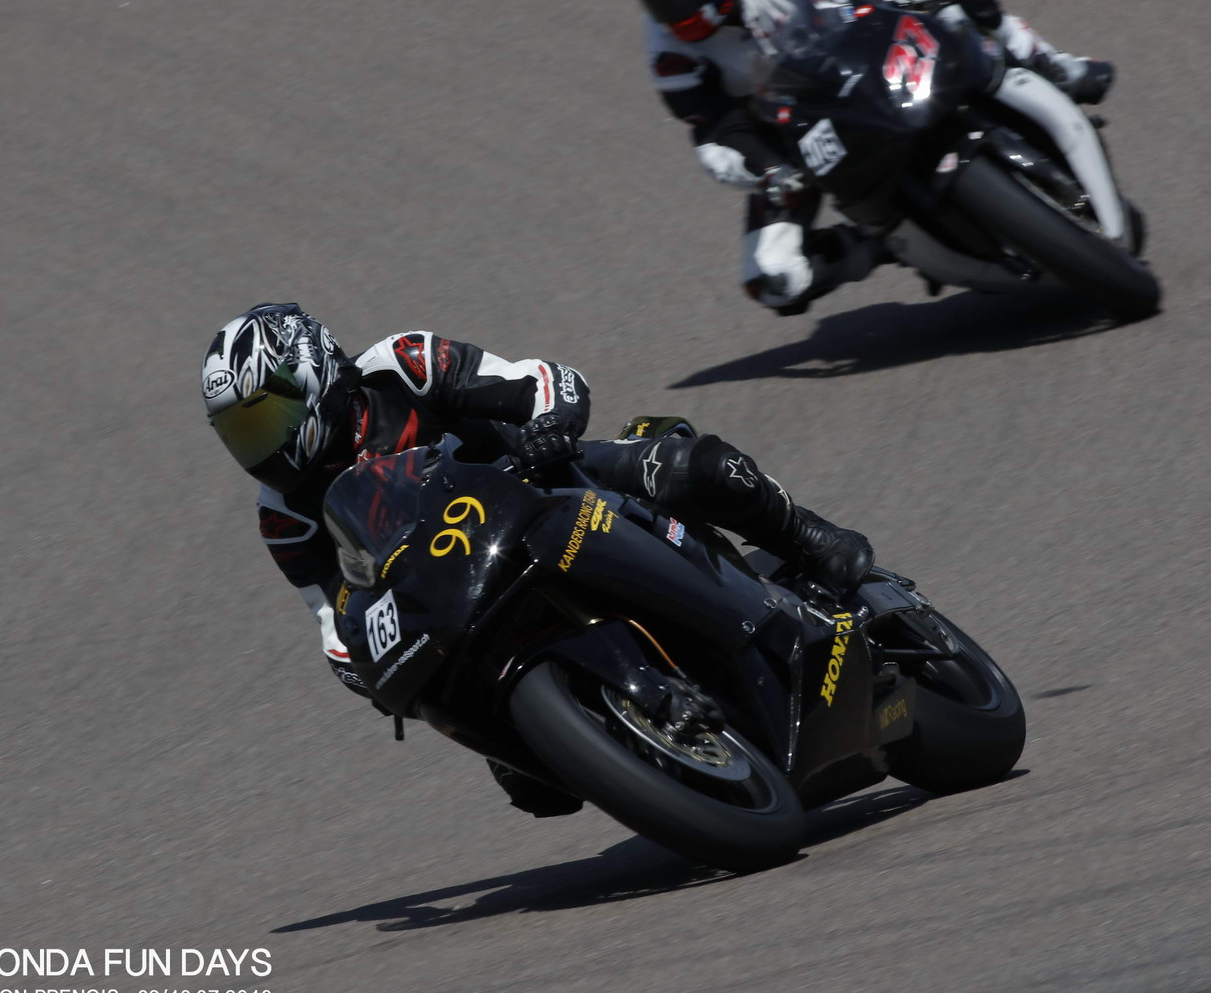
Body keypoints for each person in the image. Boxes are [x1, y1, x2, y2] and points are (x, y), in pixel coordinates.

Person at [202, 303, 873, 814]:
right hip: (461, 598)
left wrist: (546, 425)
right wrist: (363, 666)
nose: (259, 446)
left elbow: (540, 382)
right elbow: (333, 618)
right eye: (239, 434)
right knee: (535, 789)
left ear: (310, 373)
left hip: (551, 491)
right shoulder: (284, 513)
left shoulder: (401, 365)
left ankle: (807, 537)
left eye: (263, 419)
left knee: (701, 468)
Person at [633, 0, 1115, 314]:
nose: (673, 4)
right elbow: (715, 131)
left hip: (869, 49)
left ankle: (1049, 63)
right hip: (799, 140)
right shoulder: (670, 53)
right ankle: (879, 242)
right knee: (773, 281)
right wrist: (770, 171)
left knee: (961, 0)